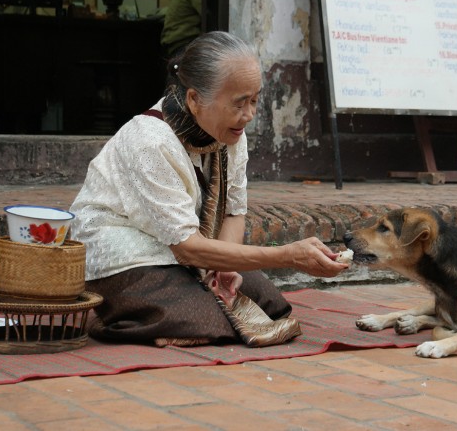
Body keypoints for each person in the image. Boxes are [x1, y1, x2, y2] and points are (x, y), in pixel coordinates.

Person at [70, 31, 348, 348]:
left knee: (269, 304)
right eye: (239, 103)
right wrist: (286, 255)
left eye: (254, 100)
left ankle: (168, 311)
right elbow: (187, 247)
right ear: (193, 99)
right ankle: (104, 319)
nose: (249, 114)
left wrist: (223, 268)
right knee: (206, 319)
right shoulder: (150, 141)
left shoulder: (231, 133)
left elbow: (233, 211)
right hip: (121, 257)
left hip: (180, 254)